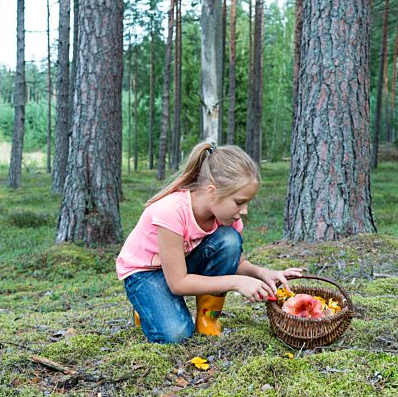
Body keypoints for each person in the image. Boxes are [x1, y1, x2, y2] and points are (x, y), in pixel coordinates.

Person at [116, 142, 302, 343]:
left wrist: (264, 273)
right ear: (212, 191)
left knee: (229, 241)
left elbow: (235, 262)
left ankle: (207, 318)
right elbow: (178, 283)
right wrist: (236, 282)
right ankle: (145, 305)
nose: (245, 211)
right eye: (239, 202)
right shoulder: (171, 212)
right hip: (145, 273)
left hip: (180, 265)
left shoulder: (228, 219)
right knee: (176, 334)